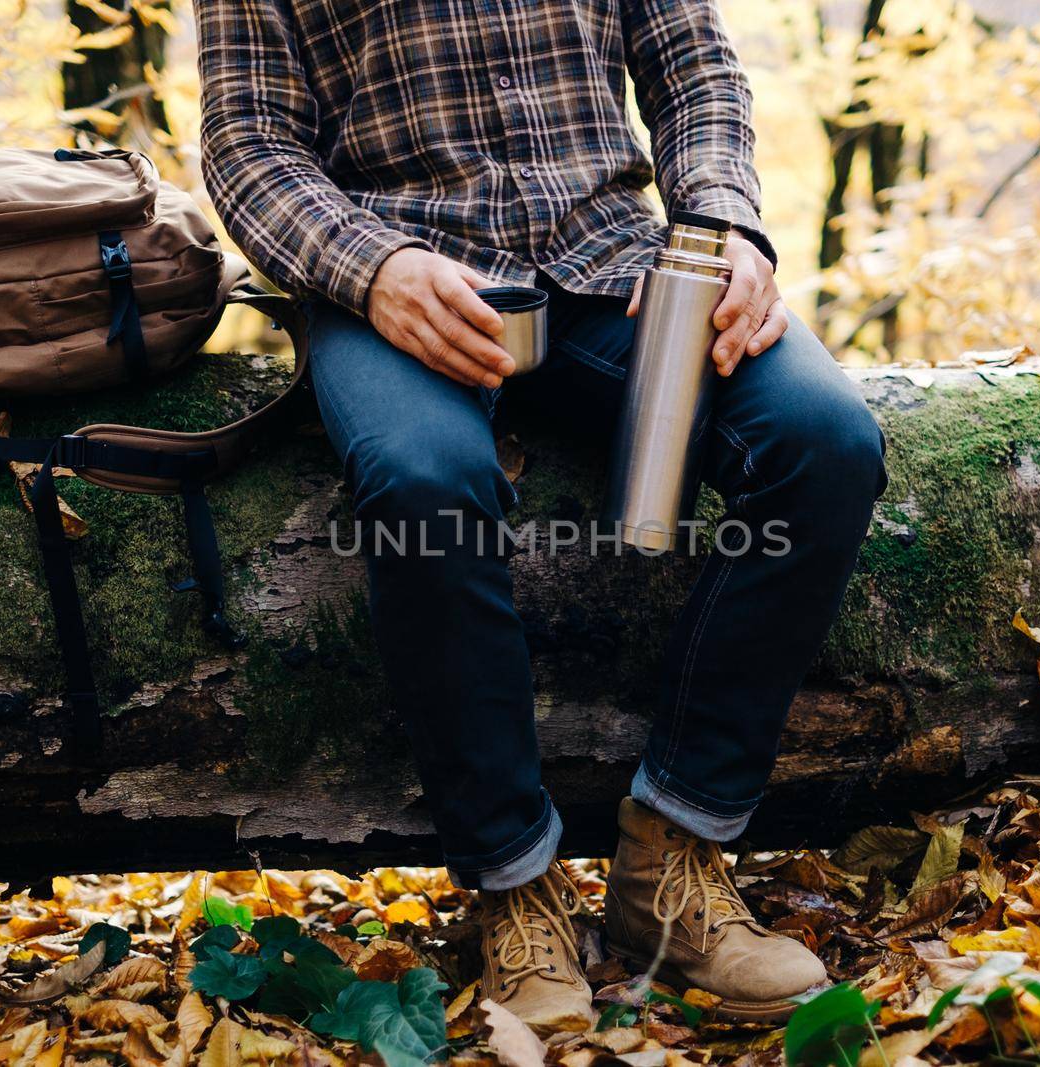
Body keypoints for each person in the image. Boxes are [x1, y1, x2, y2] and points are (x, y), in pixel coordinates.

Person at [196, 0, 887, 1031]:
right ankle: (515, 883)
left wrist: (722, 222)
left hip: (617, 260)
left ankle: (676, 856)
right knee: (423, 484)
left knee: (824, 442)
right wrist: (371, 270)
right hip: (399, 281)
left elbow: (693, 66)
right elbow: (248, 143)